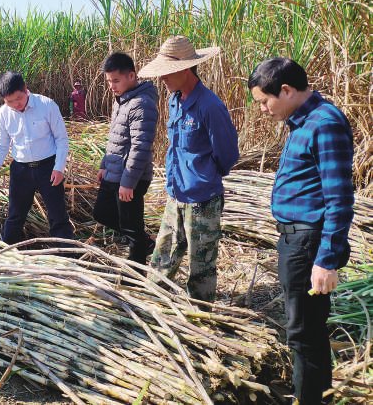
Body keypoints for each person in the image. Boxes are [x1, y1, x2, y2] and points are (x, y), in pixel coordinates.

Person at [248, 57, 353, 405]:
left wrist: (326, 260)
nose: (263, 109)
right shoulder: (302, 121)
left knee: (302, 332)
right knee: (307, 329)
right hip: (297, 238)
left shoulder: (324, 124)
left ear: (288, 90)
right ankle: (316, 396)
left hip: (308, 242)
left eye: (265, 101)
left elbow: (339, 199)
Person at [140, 36, 239, 303]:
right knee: (163, 257)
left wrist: (201, 176)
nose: (163, 79)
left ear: (185, 69)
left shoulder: (210, 106)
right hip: (176, 195)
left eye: (168, 73)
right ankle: (151, 307)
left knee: (201, 266)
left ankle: (199, 316)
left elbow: (227, 155)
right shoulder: (175, 100)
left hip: (203, 201)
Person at [0, 71, 74, 245]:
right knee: (14, 215)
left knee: (58, 215)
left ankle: (68, 256)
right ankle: (8, 254)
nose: (15, 104)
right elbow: (1, 145)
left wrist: (59, 168)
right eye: (9, 101)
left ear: (26, 89)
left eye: (18, 99)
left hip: (48, 168)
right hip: (21, 170)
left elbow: (61, 139)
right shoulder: (4, 113)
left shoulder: (47, 105)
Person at [92, 52, 158, 265]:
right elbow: (115, 138)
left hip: (132, 177)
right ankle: (144, 241)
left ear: (132, 76)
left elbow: (141, 147)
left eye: (116, 81)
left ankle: (136, 271)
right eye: (109, 81)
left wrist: (128, 182)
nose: (112, 86)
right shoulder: (121, 101)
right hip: (115, 171)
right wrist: (104, 165)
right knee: (102, 213)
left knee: (131, 226)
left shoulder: (142, 103)